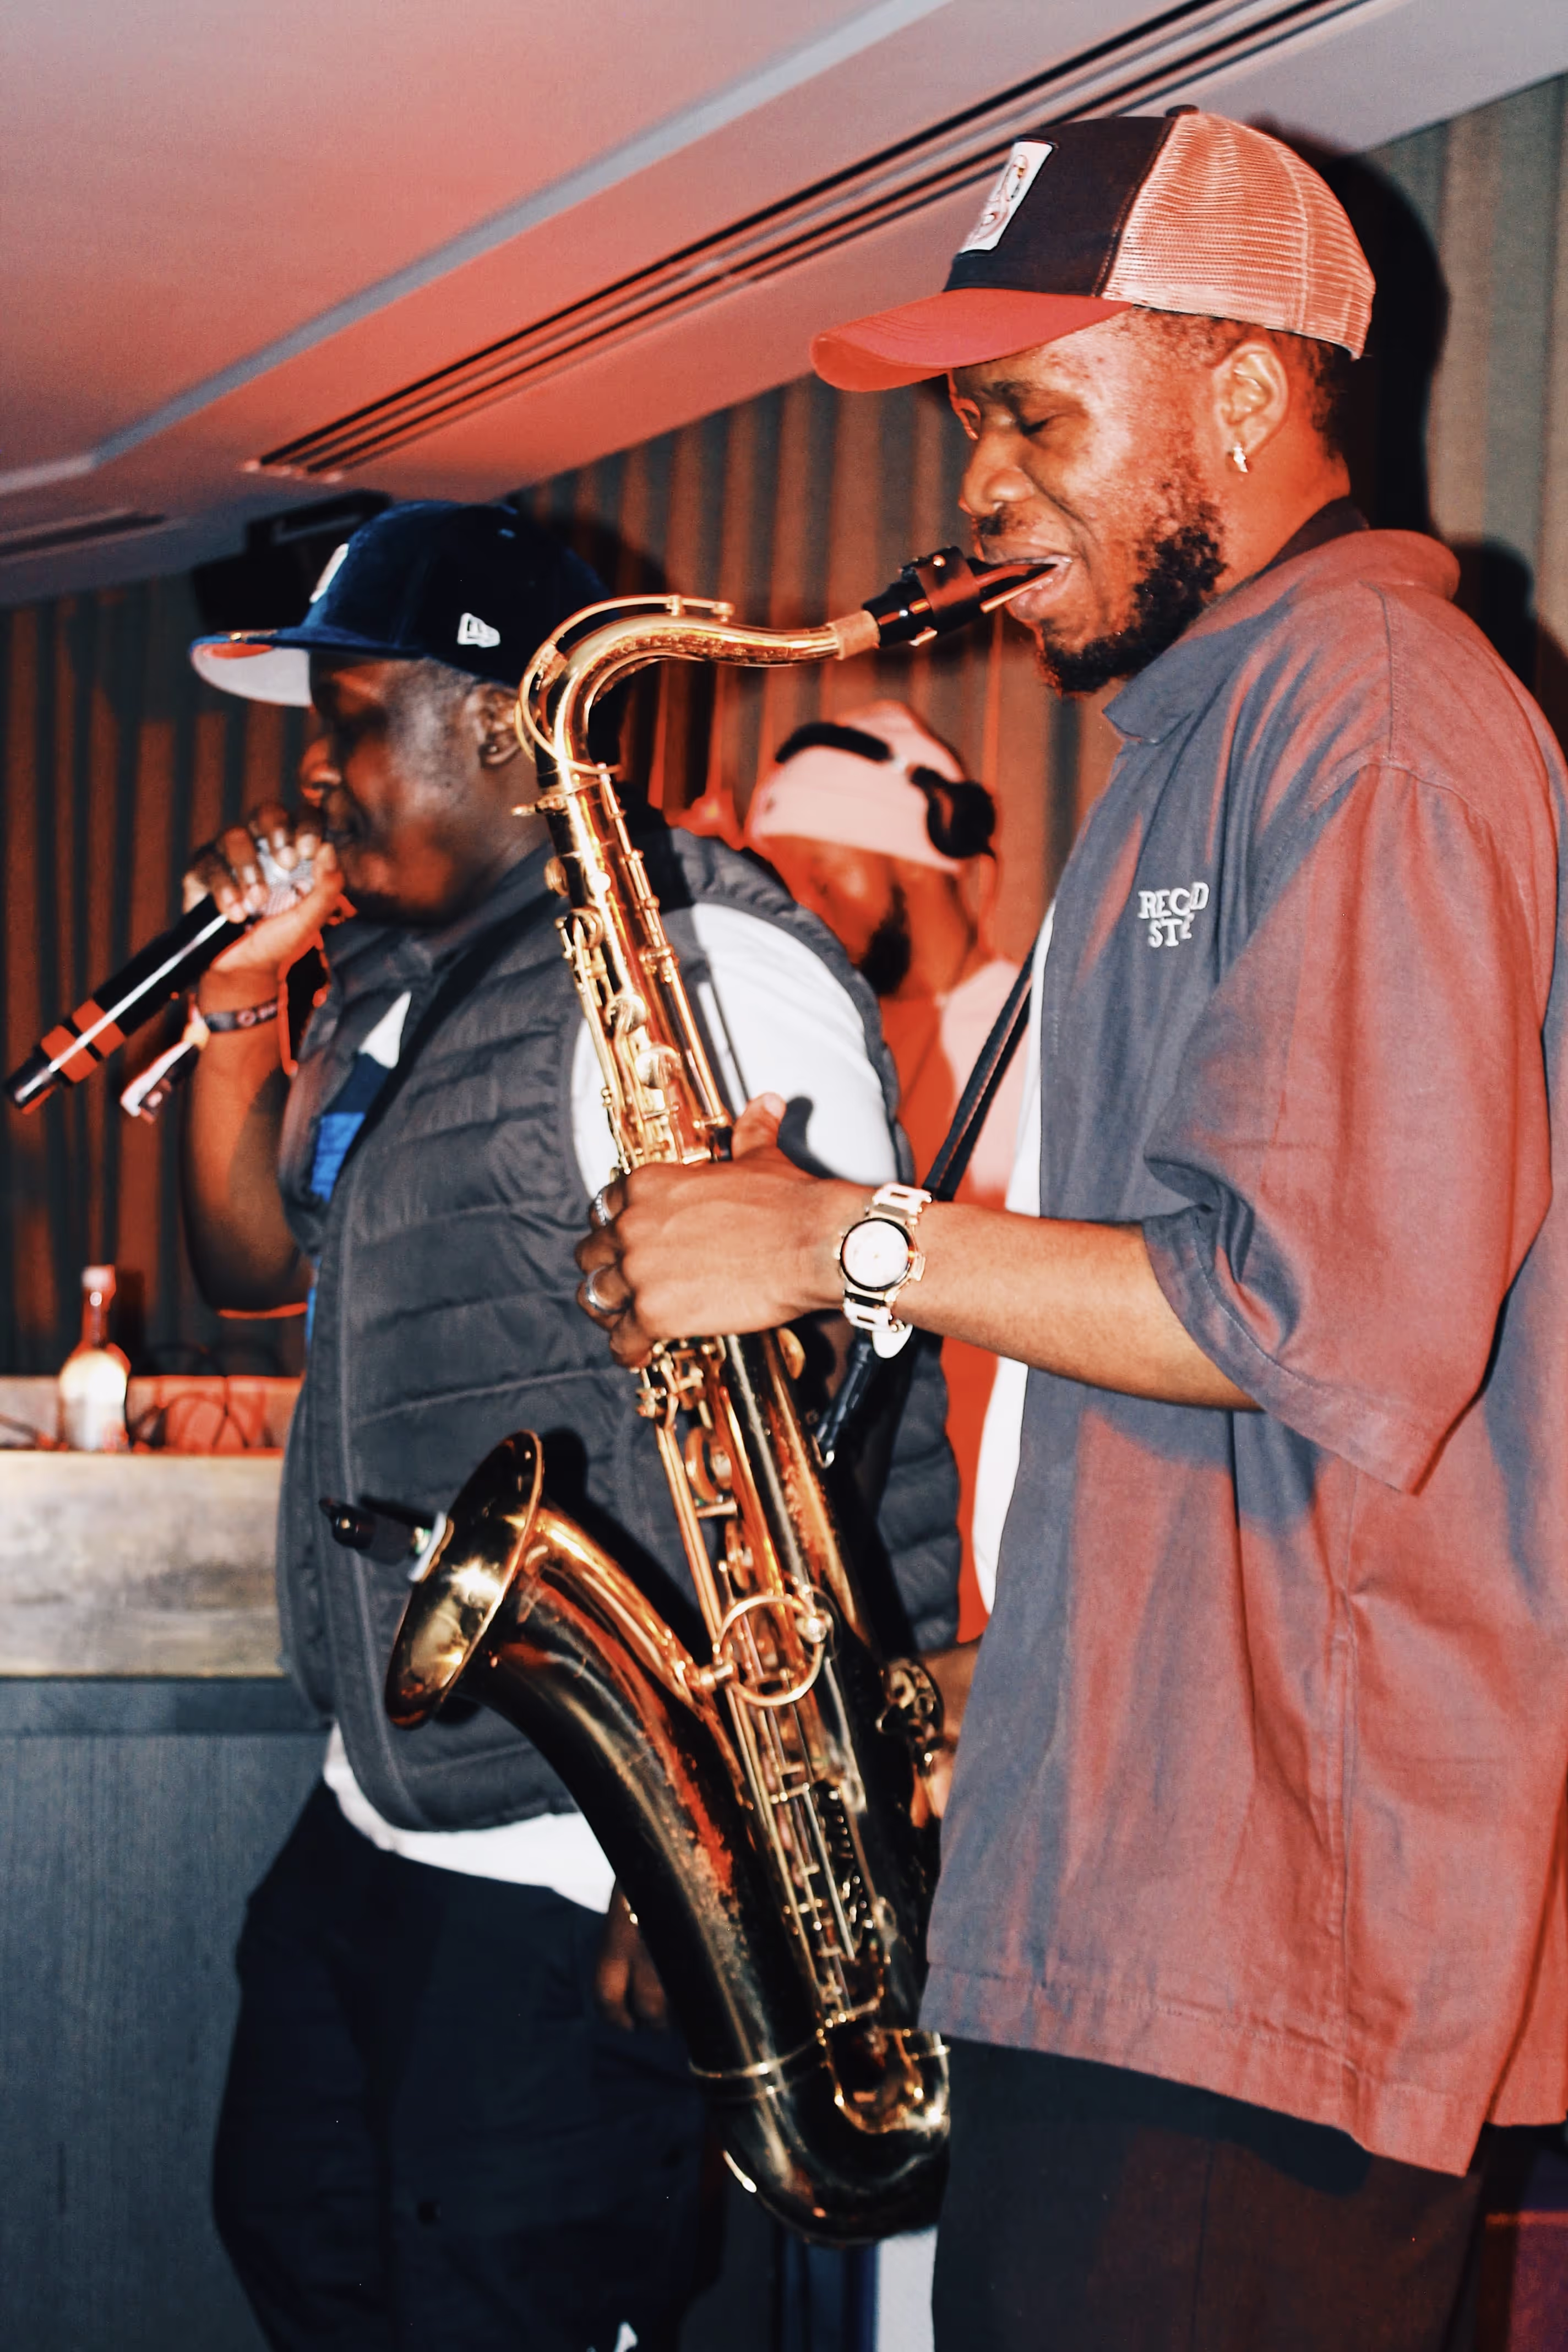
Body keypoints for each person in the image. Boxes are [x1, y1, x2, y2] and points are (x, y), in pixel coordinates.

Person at [574, 110, 1568, 2350]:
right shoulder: (1202, 737)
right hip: (1147, 1889)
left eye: (1034, 414)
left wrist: (840, 1242)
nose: (979, 491)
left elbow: (1319, 1317)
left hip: (1256, 1936)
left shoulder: (1376, 719)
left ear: (1246, 391)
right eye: (967, 429)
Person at [180, 499, 960, 2352]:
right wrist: (235, 1005)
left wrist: (690, 1875)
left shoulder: (704, 978)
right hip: (387, 1814)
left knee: (509, 2305)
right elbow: (237, 1261)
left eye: (354, 715)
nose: (316, 768)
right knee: (300, 2242)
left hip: (581, 1853)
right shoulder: (390, 990)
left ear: (510, 727)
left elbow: (825, 1453)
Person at [746, 701, 1025, 1631]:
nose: (801, 914)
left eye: (823, 878)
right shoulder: (812, 1042)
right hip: (872, 1527)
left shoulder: (1043, 1035)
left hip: (997, 1535)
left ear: (916, 861)